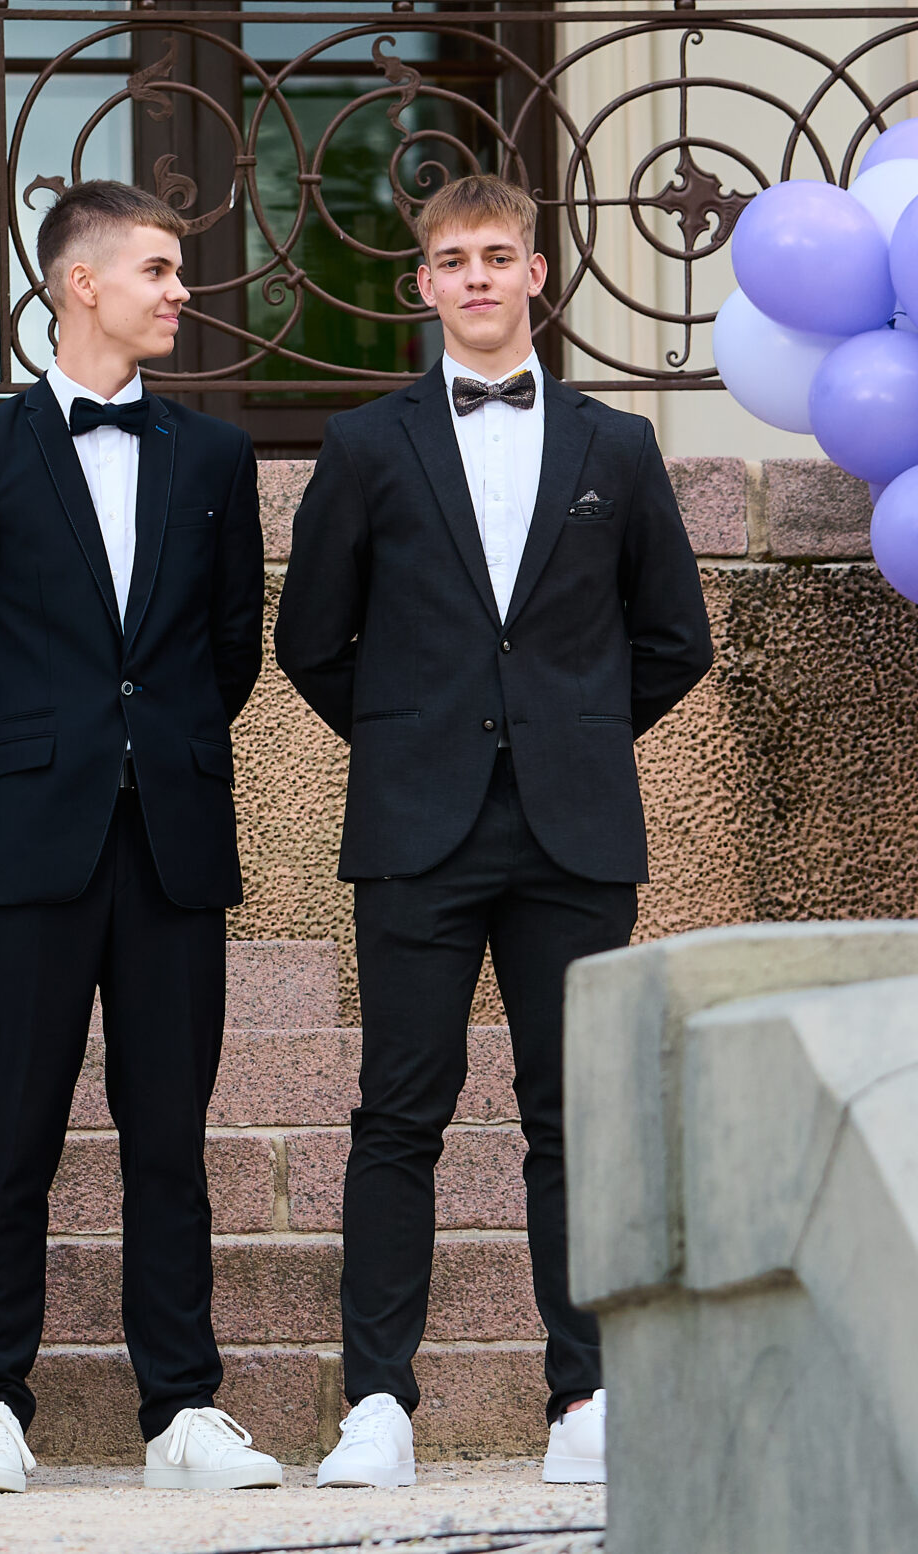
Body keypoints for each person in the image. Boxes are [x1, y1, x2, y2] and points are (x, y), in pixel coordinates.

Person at [275, 173, 713, 1490]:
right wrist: (414, 738)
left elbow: (673, 637)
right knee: (396, 1112)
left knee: (576, 1115)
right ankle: (377, 1403)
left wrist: (570, 733)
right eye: (453, 258)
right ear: (423, 284)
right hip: (415, 828)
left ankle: (585, 1395)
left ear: (536, 273)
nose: (475, 275)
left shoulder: (616, 447)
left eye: (497, 254)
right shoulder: (366, 444)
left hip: (574, 834)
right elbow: (311, 640)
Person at [0, 179, 278, 1493]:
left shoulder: (215, 456)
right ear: (83, 283)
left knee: (169, 1133)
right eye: (159, 270)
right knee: (13, 1127)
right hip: (31, 838)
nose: (181, 290)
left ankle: (181, 1408)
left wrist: (148, 754)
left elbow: (231, 649)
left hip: (174, 834)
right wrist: (30, 769)